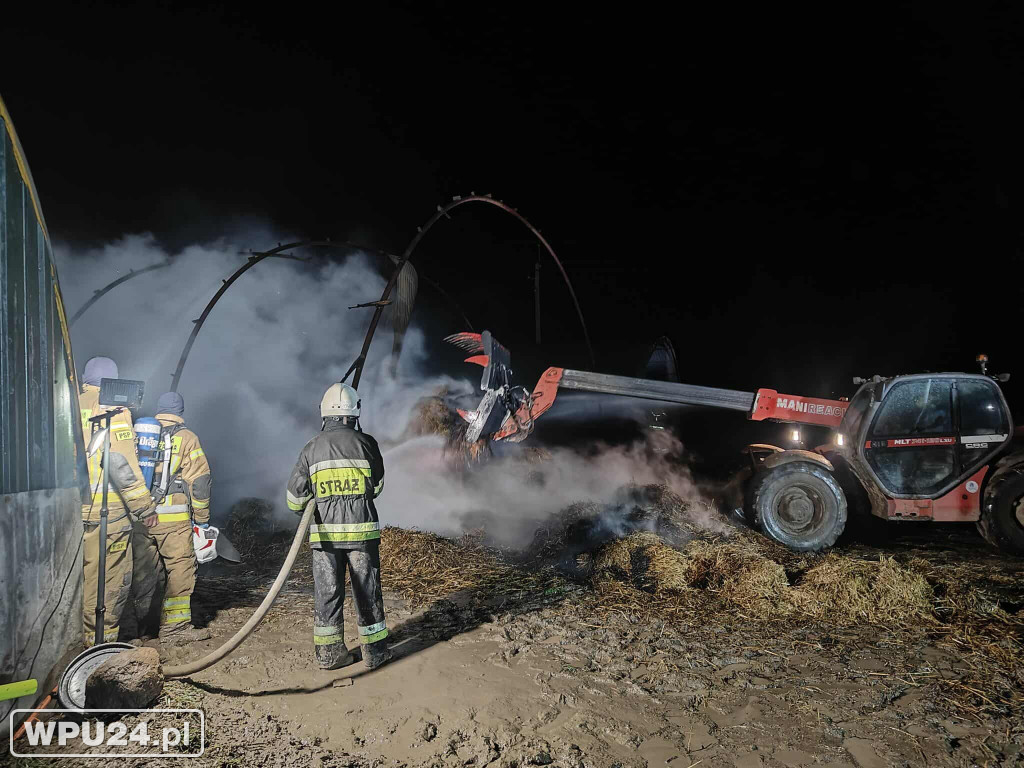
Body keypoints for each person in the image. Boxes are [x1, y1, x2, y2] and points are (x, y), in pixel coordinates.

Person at [286, 383, 392, 670]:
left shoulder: (311, 447)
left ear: (324, 414)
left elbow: (294, 501)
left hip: (325, 539)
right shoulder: (367, 443)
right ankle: (375, 653)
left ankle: (330, 655)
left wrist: (319, 498)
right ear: (355, 413)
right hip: (362, 535)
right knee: (368, 593)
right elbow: (378, 486)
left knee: (328, 594)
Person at [79, 356, 156, 645]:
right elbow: (120, 461)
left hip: (72, 511)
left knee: (79, 579)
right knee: (110, 580)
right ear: (114, 383)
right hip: (108, 513)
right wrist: (144, 507)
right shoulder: (112, 408)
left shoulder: (68, 404)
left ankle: (76, 641)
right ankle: (101, 649)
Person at [129, 391, 212, 645]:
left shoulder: (138, 433)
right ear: (181, 412)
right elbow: (199, 482)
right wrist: (201, 519)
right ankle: (176, 630)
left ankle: (145, 629)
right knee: (180, 570)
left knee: (144, 573)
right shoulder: (187, 438)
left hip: (140, 518)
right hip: (173, 520)